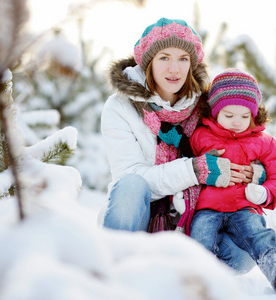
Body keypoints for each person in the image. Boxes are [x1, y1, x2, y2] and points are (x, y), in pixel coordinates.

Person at [98, 18, 263, 272]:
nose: (174, 69)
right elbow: (131, 177)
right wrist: (195, 170)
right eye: (164, 57)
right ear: (148, 62)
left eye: (183, 59)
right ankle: (113, 269)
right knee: (130, 184)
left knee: (243, 256)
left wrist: (254, 171)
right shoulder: (120, 107)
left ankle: (186, 269)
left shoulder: (206, 107)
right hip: (138, 223)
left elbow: (245, 143)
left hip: (193, 226)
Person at [189, 68, 276, 294]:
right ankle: (197, 281)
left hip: (244, 207)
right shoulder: (200, 135)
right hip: (206, 208)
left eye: (245, 116)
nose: (237, 122)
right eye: (229, 115)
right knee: (200, 238)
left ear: (254, 114)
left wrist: (265, 192)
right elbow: (186, 164)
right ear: (214, 112)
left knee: (260, 236)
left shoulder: (263, 141)